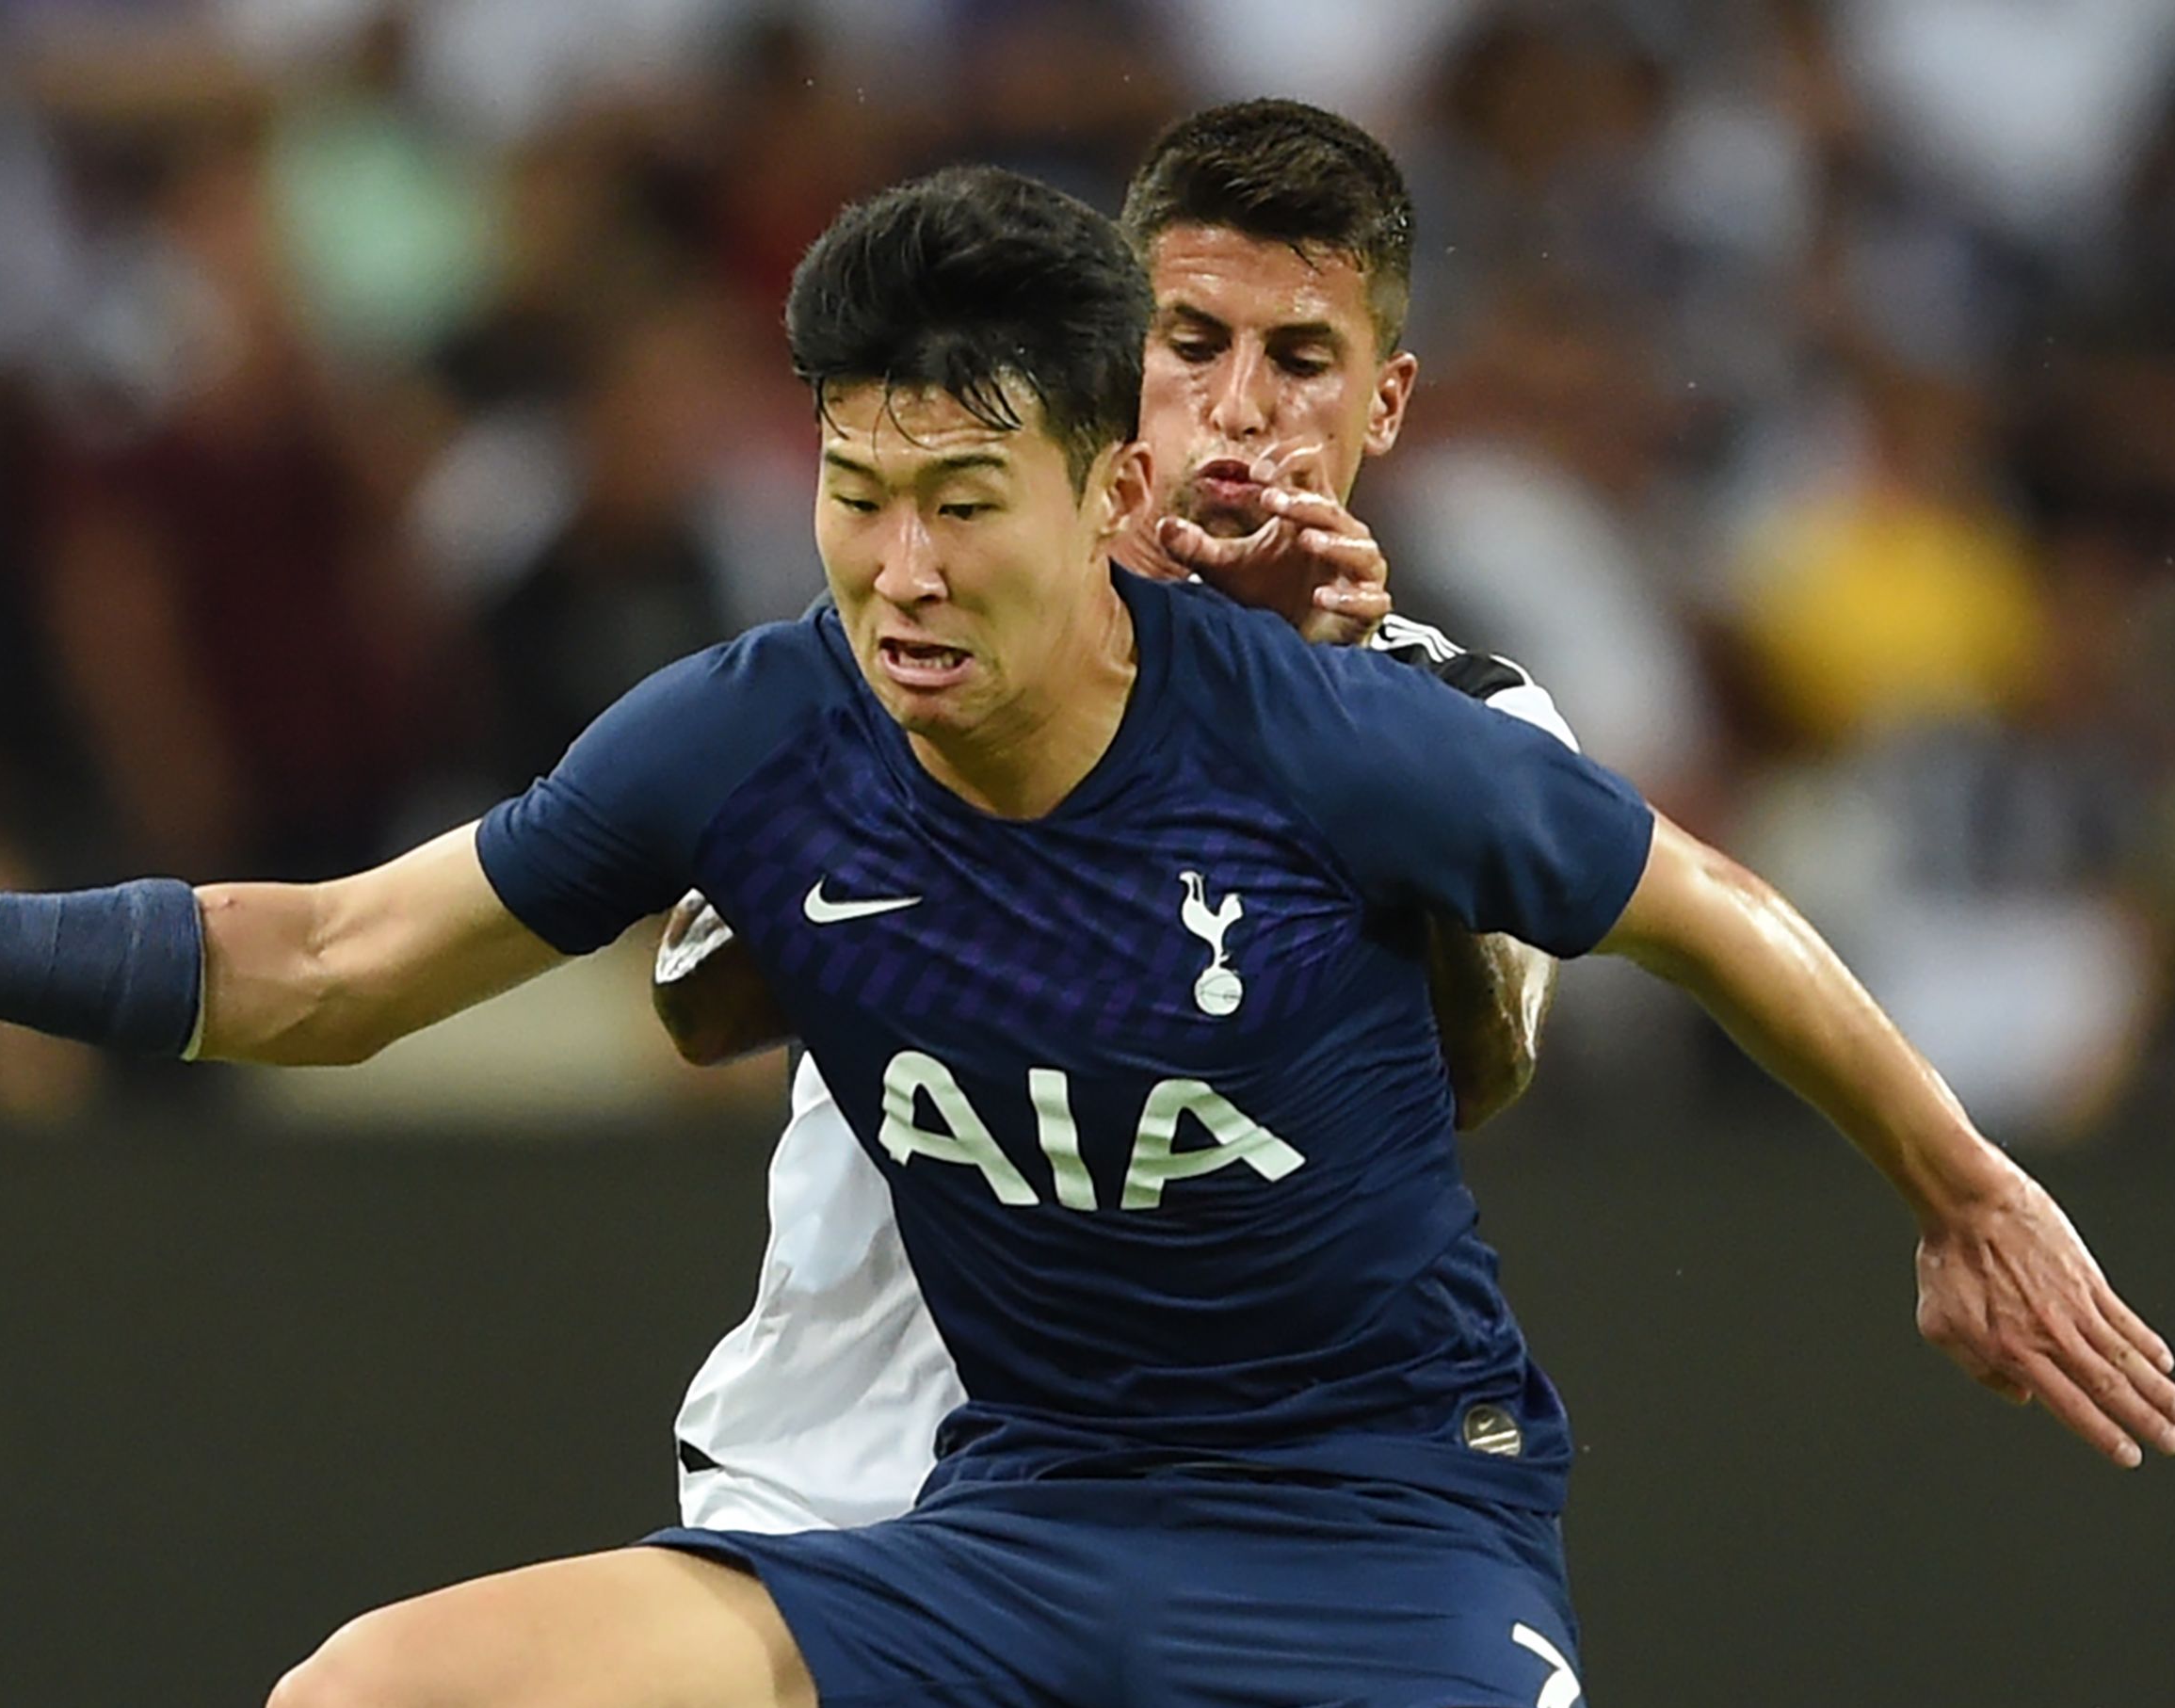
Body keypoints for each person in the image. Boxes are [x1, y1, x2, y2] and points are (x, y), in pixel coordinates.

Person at [0, 165, 2175, 1708]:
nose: (905, 569)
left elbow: (1702, 906)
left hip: (1367, 1532)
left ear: (1098, 487)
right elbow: (323, 959)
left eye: (967, 499)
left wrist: (1957, 1185)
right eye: (858, 495)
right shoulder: (759, 727)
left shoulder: (1353, 730)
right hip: (995, 1519)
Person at [654, 99, 1577, 1537]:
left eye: (1303, 358)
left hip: (1220, 1514)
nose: (1242, 406)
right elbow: (704, 1005)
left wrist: (1322, 721)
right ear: (1109, 363)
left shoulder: (1472, 722)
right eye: (1193, 343)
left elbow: (1484, 1066)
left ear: (1385, 403)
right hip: (844, 1484)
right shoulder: (927, 644)